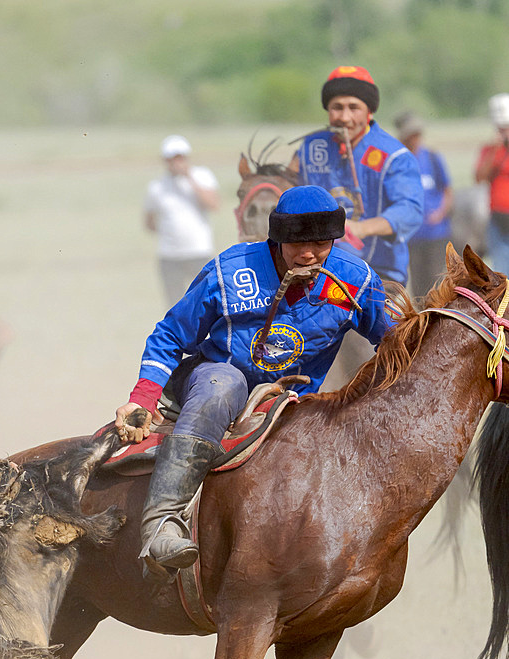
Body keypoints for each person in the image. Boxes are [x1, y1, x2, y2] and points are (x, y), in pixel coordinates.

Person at [114, 185, 391, 576]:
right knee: (222, 384)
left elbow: (396, 340)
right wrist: (143, 397)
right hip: (217, 376)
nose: (309, 253)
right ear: (277, 238)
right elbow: (171, 334)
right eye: (297, 243)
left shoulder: (354, 281)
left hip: (294, 401)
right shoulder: (229, 271)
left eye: (320, 243)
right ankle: (162, 522)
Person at [289, 66, 423, 284]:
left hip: (381, 272)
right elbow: (288, 191)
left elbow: (410, 210)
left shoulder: (394, 155)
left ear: (369, 110)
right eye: (337, 107)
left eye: (354, 107)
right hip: (320, 270)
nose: (344, 117)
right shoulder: (311, 148)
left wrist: (361, 228)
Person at [144, 135, 220, 308]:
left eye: (180, 157)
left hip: (199, 251)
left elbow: (214, 204)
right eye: (172, 159)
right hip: (169, 256)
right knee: (174, 305)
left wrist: (189, 178)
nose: (176, 163)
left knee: (206, 301)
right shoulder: (157, 186)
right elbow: (148, 221)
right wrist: (167, 232)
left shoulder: (203, 176)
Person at [393, 111, 453, 298]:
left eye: (417, 133)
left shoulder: (433, 158)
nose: (415, 138)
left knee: (438, 282)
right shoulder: (395, 162)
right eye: (411, 134)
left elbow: (447, 191)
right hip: (410, 236)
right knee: (418, 285)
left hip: (436, 233)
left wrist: (440, 213)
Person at [475, 93, 509, 277]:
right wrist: (495, 150)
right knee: (501, 269)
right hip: (498, 217)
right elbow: (480, 177)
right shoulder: (490, 149)